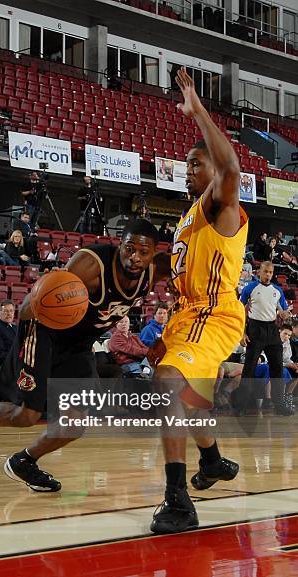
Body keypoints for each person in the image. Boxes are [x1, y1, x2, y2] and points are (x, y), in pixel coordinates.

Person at [0, 218, 173, 494]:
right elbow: (31, 307)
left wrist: (167, 339)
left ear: (154, 253)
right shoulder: (90, 265)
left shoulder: (159, 268)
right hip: (44, 330)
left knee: (75, 423)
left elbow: (189, 292)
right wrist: (37, 300)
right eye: (129, 249)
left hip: (79, 343)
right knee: (27, 414)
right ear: (120, 245)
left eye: (143, 252)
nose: (135, 257)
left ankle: (24, 461)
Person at [147, 67, 248, 535]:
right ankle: (210, 461)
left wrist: (198, 111)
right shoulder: (188, 217)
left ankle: (177, 500)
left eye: (196, 164)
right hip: (189, 315)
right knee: (185, 398)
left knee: (169, 385)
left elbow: (231, 169)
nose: (189, 169)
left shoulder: (220, 204)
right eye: (186, 164)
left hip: (214, 312)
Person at [234, 261, 289, 413]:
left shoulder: (277, 290)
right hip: (255, 328)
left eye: (271, 272)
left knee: (278, 368)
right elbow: (240, 311)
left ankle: (279, 405)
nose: (268, 275)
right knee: (249, 369)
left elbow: (283, 311)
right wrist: (242, 332)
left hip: (272, 330)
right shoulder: (249, 288)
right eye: (266, 272)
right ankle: (240, 406)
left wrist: (284, 314)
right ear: (259, 272)